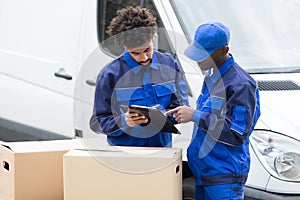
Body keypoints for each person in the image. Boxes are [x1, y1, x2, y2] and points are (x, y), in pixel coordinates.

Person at [165, 22, 261, 199]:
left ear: (224, 50)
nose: (198, 59)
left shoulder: (240, 84)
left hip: (224, 178)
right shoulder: (212, 76)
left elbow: (236, 133)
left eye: (204, 55)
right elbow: (211, 118)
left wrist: (195, 115)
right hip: (205, 173)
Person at [90, 6, 189, 147]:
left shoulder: (170, 65)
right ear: (124, 46)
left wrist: (167, 116)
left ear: (153, 38)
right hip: (125, 155)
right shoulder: (110, 74)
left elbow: (181, 105)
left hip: (162, 151)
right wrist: (124, 121)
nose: (143, 58)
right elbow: (97, 122)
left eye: (147, 50)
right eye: (136, 53)